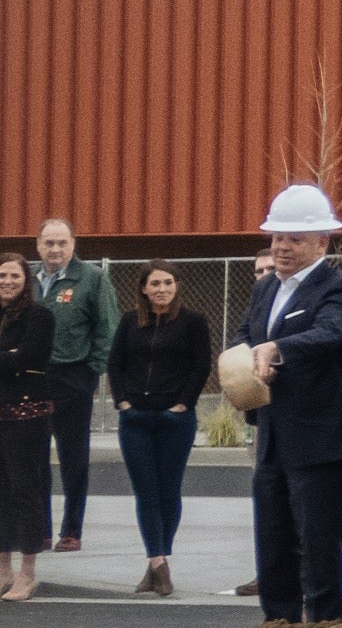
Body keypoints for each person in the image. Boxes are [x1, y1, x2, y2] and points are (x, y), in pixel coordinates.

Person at [234, 184, 342, 623]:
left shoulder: (338, 289)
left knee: (318, 545)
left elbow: (331, 333)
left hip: (321, 439)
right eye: (277, 237)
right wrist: (239, 361)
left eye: (293, 238)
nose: (281, 247)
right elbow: (245, 334)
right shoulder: (266, 289)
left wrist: (278, 349)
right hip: (273, 436)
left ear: (321, 242)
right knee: (272, 544)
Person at [111, 263, 214, 595]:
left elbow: (201, 365)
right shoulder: (129, 322)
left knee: (169, 492)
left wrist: (183, 403)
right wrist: (123, 402)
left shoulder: (193, 322)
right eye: (155, 283)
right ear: (143, 288)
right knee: (146, 493)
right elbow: (115, 363)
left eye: (168, 282)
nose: (162, 288)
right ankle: (159, 563)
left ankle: (157, 562)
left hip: (175, 419)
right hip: (136, 419)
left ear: (177, 286)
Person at [33, 221, 116, 553]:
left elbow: (107, 329)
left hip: (73, 379)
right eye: (49, 243)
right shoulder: (29, 282)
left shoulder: (93, 279)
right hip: (34, 380)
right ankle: (39, 530)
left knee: (73, 458)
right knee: (35, 458)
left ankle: (71, 530)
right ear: (38, 245)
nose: (55, 249)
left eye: (61, 243)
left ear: (73, 244)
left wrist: (91, 373)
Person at [0, 260, 49, 599]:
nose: (7, 280)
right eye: (2, 275)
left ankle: (27, 571)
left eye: (14, 275)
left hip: (27, 417)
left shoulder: (40, 317)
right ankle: (3, 569)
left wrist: (16, 357)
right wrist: (10, 355)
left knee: (24, 491)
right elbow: (14, 360)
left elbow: (28, 358)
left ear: (26, 279)